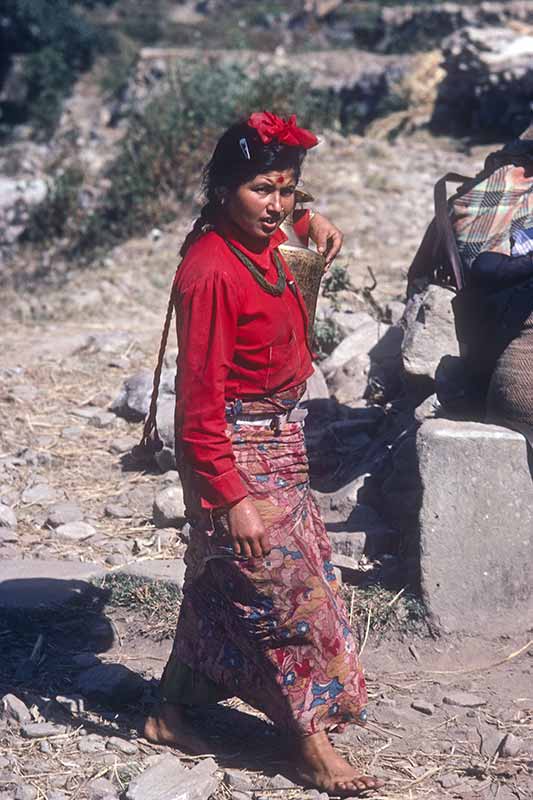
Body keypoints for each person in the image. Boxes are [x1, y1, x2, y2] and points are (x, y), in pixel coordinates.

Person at [144, 111, 383, 796]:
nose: (275, 205)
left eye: (287, 191)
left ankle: (170, 712)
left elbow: (290, 227)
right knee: (287, 598)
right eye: (260, 190)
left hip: (282, 437)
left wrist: (308, 226)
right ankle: (305, 745)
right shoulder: (210, 272)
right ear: (223, 189)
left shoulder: (271, 241)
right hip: (233, 447)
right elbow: (195, 406)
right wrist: (230, 495)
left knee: (223, 585)